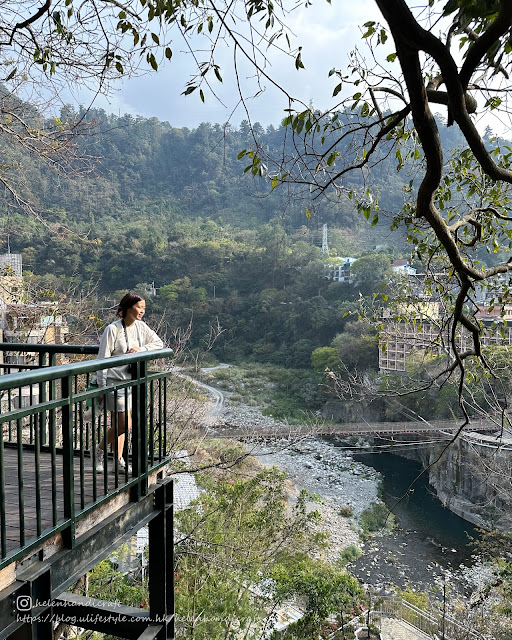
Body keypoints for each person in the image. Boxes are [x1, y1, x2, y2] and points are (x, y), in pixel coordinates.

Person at [94, 292, 164, 473]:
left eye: (144, 308)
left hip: (130, 383)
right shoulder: (113, 329)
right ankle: (99, 450)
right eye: (139, 307)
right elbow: (102, 360)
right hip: (114, 382)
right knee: (125, 424)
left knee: (120, 425)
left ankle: (117, 460)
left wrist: (140, 349)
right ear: (127, 307)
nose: (142, 311)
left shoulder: (141, 327)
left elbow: (159, 344)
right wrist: (101, 388)